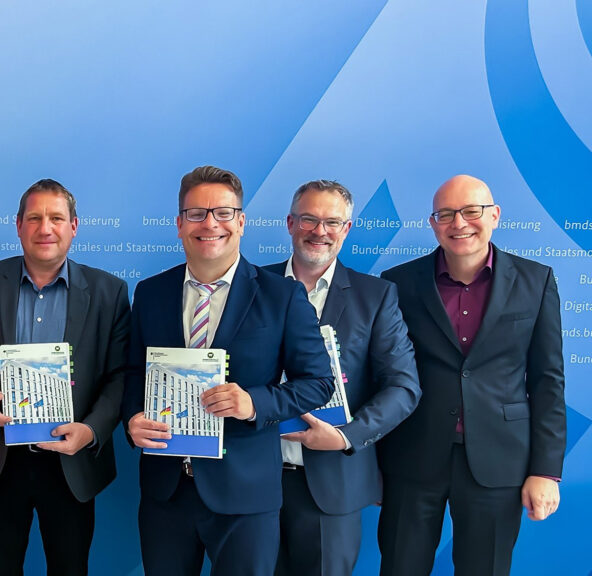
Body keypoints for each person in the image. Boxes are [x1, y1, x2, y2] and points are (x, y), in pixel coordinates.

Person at [122, 165, 334, 576]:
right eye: (196, 213)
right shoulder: (150, 292)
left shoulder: (282, 296)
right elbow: (133, 372)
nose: (210, 224)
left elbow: (319, 383)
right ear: (180, 224)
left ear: (241, 222)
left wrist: (253, 402)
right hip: (166, 491)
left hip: (245, 496)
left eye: (222, 212)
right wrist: (132, 417)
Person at [378, 174, 566, 575]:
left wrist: (545, 470)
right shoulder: (398, 284)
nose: (459, 223)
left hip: (500, 461)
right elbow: (383, 377)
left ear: (494, 215)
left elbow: (547, 381)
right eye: (446, 214)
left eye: (470, 211)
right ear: (433, 223)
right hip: (413, 456)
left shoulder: (536, 281)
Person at [0, 179, 130, 576]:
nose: (45, 228)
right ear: (18, 226)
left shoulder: (108, 292)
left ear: (74, 226)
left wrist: (92, 430)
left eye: (56, 218)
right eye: (34, 217)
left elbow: (120, 376)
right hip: (0, 458)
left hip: (72, 462)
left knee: (70, 569)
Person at [261, 180, 421, 576]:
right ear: (290, 223)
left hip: (333, 483)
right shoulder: (251, 286)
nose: (320, 231)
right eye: (309, 219)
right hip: (253, 478)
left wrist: (347, 436)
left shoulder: (376, 296)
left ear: (347, 229)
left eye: (332, 222)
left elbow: (404, 387)